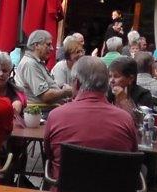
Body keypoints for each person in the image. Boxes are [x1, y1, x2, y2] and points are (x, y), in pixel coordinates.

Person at [43, 56, 138, 184]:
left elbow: (49, 154)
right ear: (106, 83)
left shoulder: (56, 116)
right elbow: (132, 154)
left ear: (77, 83)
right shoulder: (125, 119)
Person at [16, 29, 73, 106]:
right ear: (36, 45)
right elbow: (45, 96)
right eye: (48, 45)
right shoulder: (30, 63)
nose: (52, 48)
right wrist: (65, 92)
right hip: (43, 110)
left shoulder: (37, 62)